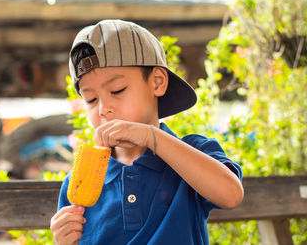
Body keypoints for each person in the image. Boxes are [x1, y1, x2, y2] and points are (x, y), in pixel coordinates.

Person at [50, 19, 244, 245]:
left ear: (158, 82)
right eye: (91, 99)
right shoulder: (76, 183)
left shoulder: (194, 152)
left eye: (117, 90)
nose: (104, 109)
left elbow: (231, 196)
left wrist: (152, 137)